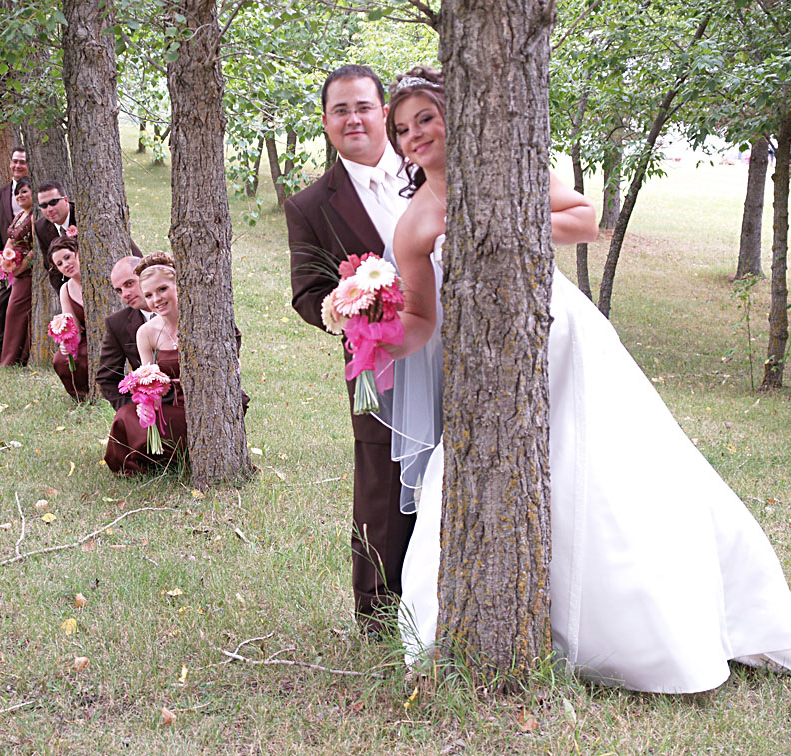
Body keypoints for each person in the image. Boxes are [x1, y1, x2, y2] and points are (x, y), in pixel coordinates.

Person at [386, 68, 791, 693]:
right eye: (403, 128)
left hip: (560, 334)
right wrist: (366, 333)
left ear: (454, 117)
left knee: (607, 468)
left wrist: (505, 229)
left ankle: (662, 622)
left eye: (426, 119)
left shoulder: (508, 170)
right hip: (481, 366)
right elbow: (419, 317)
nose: (415, 135)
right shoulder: (412, 224)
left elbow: (584, 218)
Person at [285, 64, 414, 634]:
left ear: (384, 111)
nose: (353, 118)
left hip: (455, 350)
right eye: (340, 110)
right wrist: (340, 310)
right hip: (375, 363)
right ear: (325, 122)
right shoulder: (310, 205)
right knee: (380, 480)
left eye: (363, 106)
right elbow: (306, 293)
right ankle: (379, 617)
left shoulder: (430, 167)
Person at [104, 253, 189, 476]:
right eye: (149, 295)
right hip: (169, 405)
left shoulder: (199, 320)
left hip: (200, 405)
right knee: (126, 416)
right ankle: (148, 462)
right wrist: (145, 402)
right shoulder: (146, 332)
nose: (156, 299)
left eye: (162, 290)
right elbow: (147, 377)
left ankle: (179, 455)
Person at [33, 180, 145, 294]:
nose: (49, 209)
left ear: (66, 200)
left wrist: (143, 272)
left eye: (53, 202)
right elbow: (51, 267)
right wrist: (66, 294)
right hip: (75, 288)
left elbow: (125, 245)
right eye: (43, 205)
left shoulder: (85, 215)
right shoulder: (40, 227)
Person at [0, 146, 29, 364]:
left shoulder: (34, 190)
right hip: (8, 262)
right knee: (3, 304)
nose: (18, 165)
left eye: (22, 161)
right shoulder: (1, 193)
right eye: (15, 161)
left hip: (29, 262)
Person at [96, 256, 150, 411]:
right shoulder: (118, 323)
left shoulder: (182, 309)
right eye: (119, 290)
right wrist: (132, 409)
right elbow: (107, 378)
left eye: (129, 284)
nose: (125, 294)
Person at [0, 177, 36, 366]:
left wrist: (20, 268)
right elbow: (11, 240)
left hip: (28, 272)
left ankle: (13, 359)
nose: (20, 196)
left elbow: (35, 249)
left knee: (15, 311)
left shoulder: (35, 216)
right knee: (12, 311)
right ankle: (12, 357)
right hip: (15, 270)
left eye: (24, 192)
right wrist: (4, 262)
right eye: (17, 193)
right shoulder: (20, 215)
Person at [48, 236, 89, 400]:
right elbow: (74, 329)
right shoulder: (65, 289)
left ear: (78, 253)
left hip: (113, 335)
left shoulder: (98, 279)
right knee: (60, 358)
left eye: (67, 257)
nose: (66, 265)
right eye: (59, 264)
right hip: (87, 338)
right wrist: (67, 343)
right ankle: (82, 397)